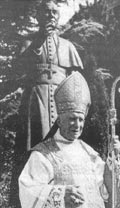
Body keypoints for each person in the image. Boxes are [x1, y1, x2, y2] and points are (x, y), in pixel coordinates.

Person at [18, 71, 120, 208]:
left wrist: (113, 161)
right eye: (72, 118)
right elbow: (27, 190)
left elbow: (106, 192)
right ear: (59, 121)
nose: (77, 125)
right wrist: (60, 195)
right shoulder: (43, 154)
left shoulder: (90, 153)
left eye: (81, 119)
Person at [14, 0, 83, 152]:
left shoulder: (68, 46)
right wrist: (39, 41)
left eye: (54, 12)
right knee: (35, 141)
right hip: (35, 100)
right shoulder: (28, 43)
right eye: (47, 11)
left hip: (61, 104)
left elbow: (75, 82)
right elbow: (19, 71)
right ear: (38, 16)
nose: (51, 15)